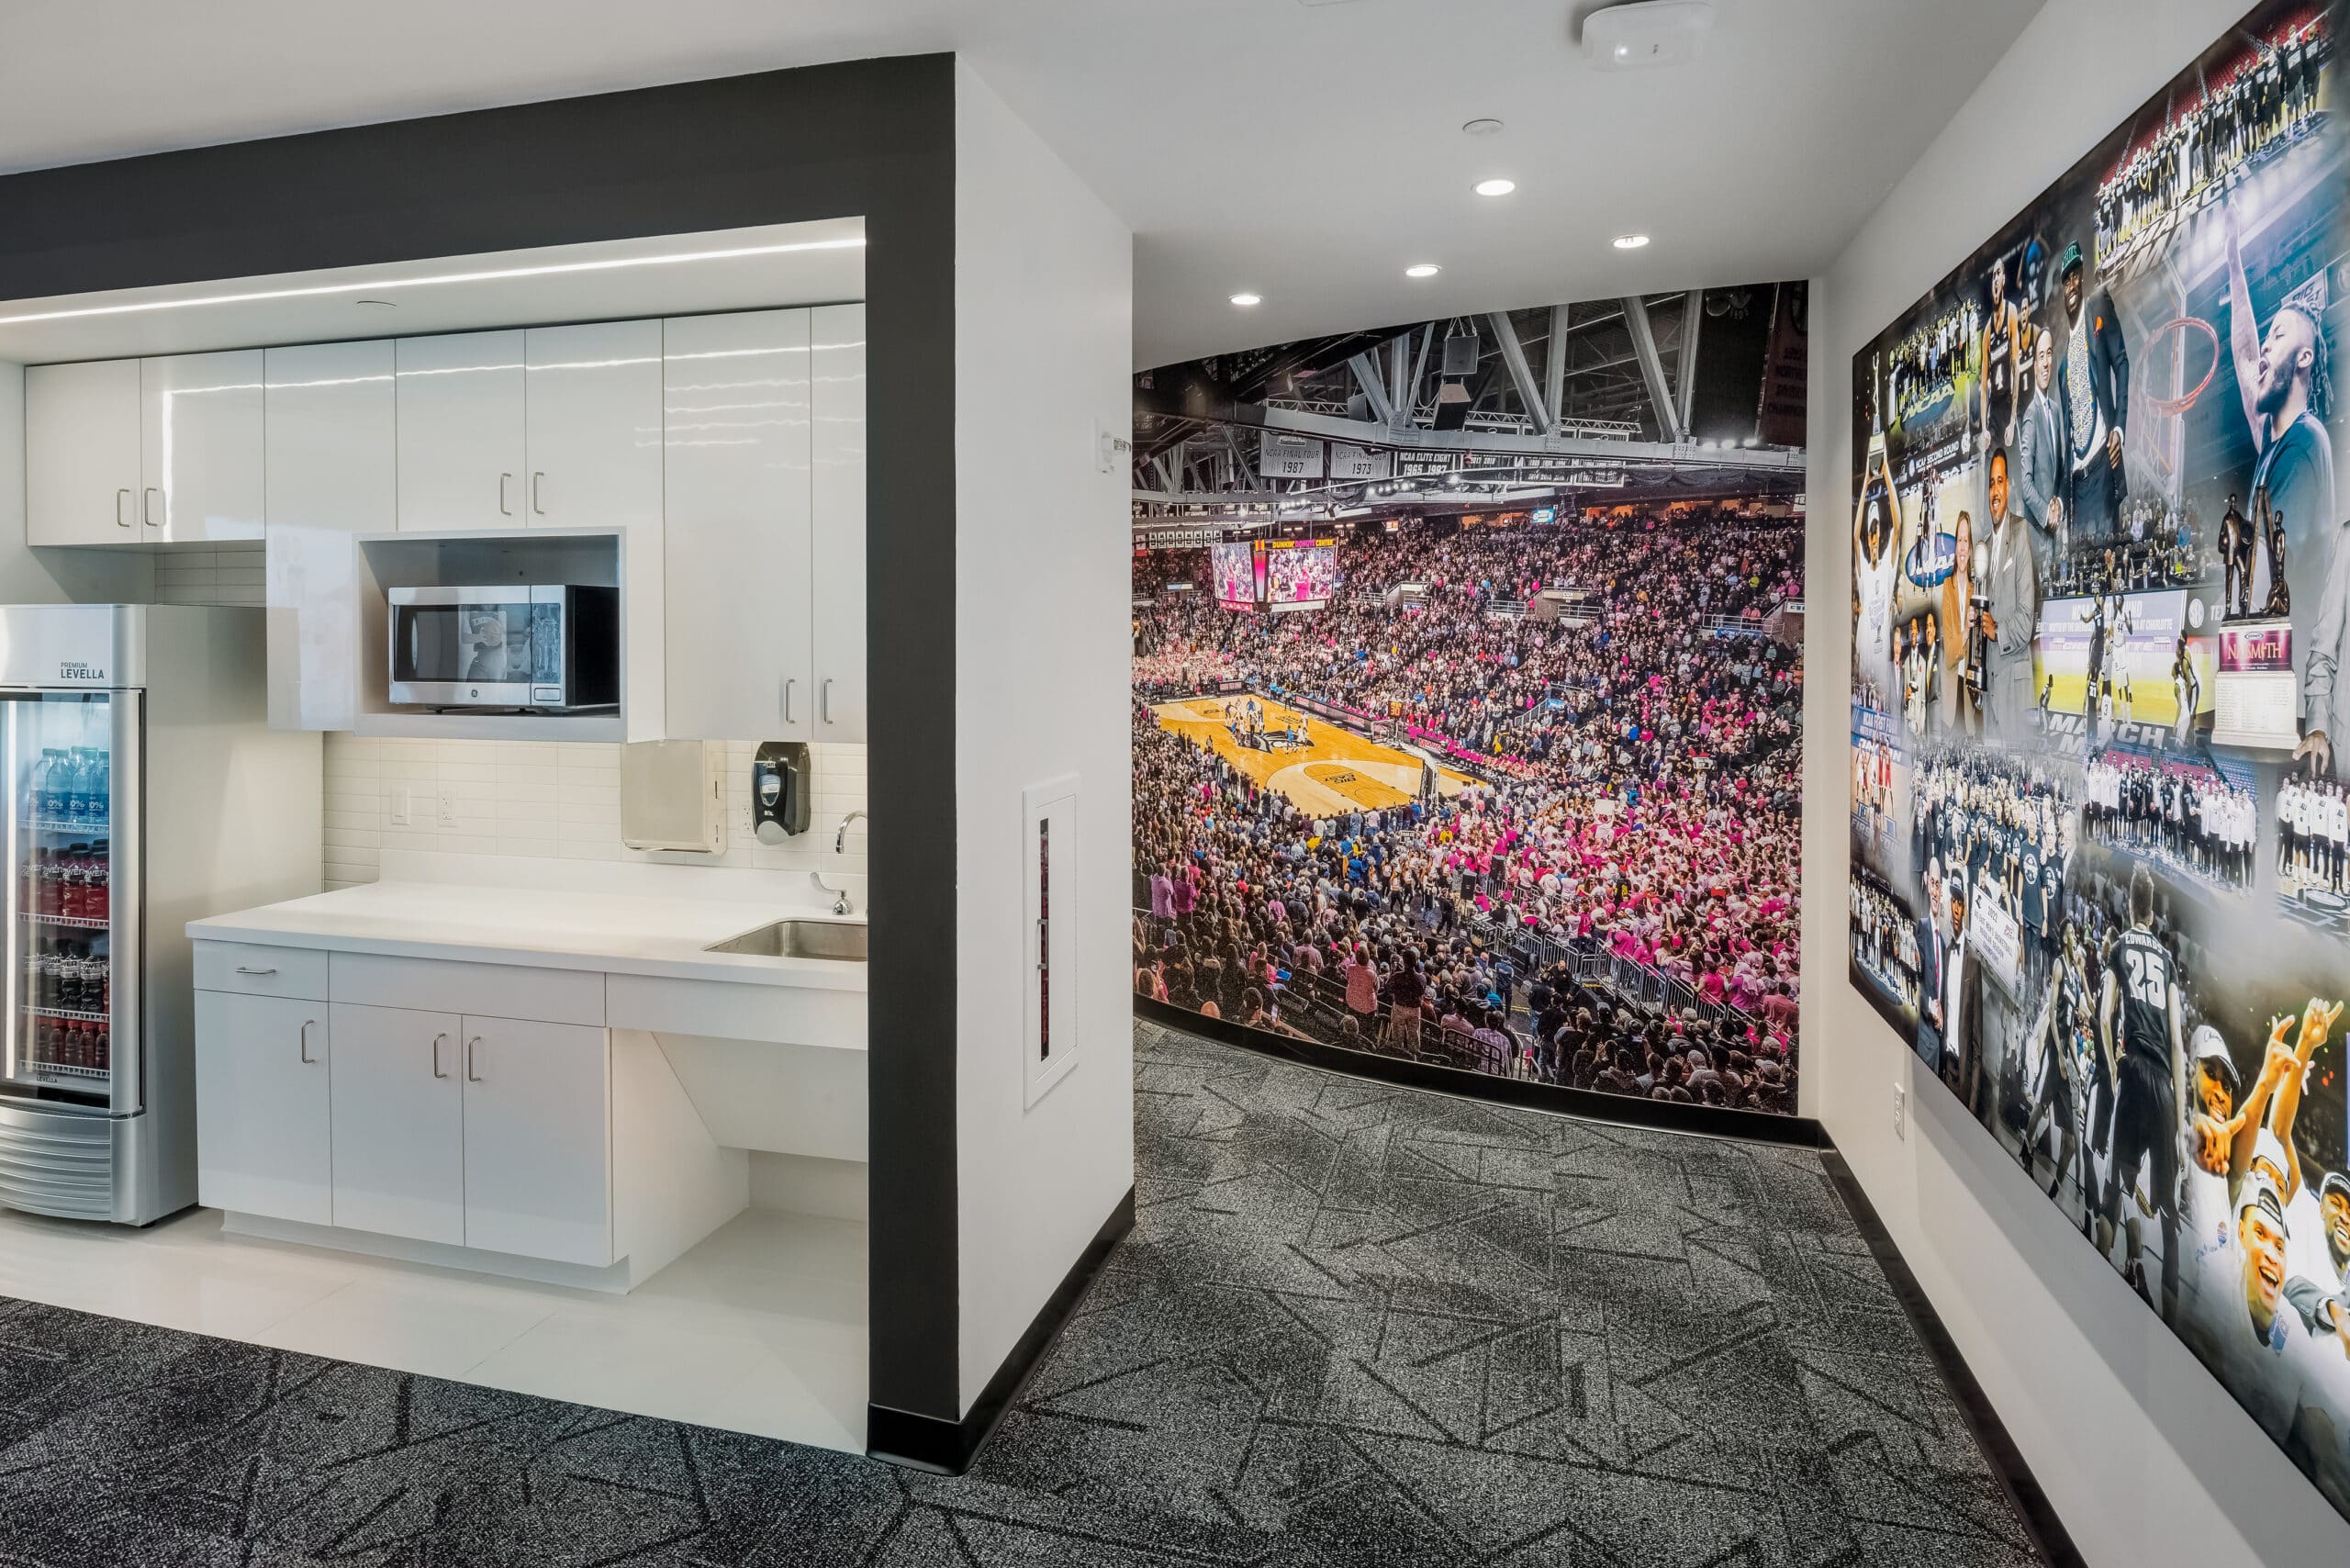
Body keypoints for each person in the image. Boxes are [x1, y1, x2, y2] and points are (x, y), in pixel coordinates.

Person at [2225, 201, 2336, 627]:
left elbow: (2269, 580)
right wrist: (2233, 259)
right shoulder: (2276, 442)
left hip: (2285, 662)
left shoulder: (2304, 444)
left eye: (2279, 335)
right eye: (2267, 337)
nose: (2266, 347)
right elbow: (2243, 355)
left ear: (2305, 357)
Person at [2097, 863, 2184, 1318]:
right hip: (2165, 1089)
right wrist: (2182, 1120)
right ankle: (2168, 1328)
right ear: (2153, 912)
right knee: (2168, 1221)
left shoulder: (2119, 947)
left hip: (2131, 1073)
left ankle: (2100, 1294)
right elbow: (2179, 1049)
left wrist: (2114, 1069)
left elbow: (2103, 1013)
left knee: (2116, 1190)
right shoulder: (2168, 962)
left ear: (2130, 904)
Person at [2054, 242, 2130, 548]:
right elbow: (2067, 438)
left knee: (2107, 574)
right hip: (2076, 487)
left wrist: (2119, 428)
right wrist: (2060, 496)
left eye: (2075, 276)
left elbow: (2121, 362)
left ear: (2082, 277)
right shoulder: (2061, 369)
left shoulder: (2098, 306)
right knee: (2080, 583)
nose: (2071, 284)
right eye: (2065, 280)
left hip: (2101, 469)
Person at [1979, 457, 2040, 745]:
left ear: (2009, 488)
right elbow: (1986, 615)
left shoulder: (2020, 532)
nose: (1994, 490)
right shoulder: (1985, 547)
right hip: (1990, 692)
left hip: (2015, 696)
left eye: (1999, 481)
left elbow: (2026, 619)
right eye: (1991, 483)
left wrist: (1997, 631)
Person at [2015, 329, 2068, 579]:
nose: (2046, 362)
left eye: (2049, 354)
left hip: (2055, 536)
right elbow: (2025, 485)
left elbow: (2058, 469)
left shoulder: (2055, 411)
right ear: (2034, 365)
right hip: (2037, 537)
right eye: (2040, 356)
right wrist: (2047, 514)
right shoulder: (2030, 416)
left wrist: (2057, 501)